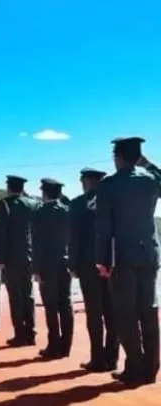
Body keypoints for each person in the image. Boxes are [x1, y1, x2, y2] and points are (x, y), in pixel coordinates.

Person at [96, 136, 160, 385]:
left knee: (125, 315)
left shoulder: (109, 184)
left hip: (121, 257)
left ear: (118, 158)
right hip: (148, 255)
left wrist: (102, 260)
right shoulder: (151, 180)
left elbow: (103, 226)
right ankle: (150, 369)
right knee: (149, 313)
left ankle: (134, 368)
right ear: (138, 157)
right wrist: (147, 163)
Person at [69, 167, 118, 372]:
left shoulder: (78, 204)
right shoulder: (114, 200)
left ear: (87, 182)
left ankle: (97, 359)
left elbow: (75, 238)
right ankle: (112, 358)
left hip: (88, 265)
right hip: (113, 263)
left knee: (94, 313)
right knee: (112, 312)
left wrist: (73, 265)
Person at [0, 175, 40, 347]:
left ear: (9, 188)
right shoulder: (32, 204)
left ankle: (20, 334)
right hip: (29, 254)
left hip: (12, 257)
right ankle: (31, 332)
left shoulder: (5, 204)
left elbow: (1, 233)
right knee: (28, 295)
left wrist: (0, 258)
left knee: (16, 296)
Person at [32, 178, 73, 359]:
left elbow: (37, 243)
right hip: (65, 262)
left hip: (47, 264)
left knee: (51, 305)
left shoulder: (40, 213)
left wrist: (36, 269)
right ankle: (66, 346)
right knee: (65, 303)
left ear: (45, 193)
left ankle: (54, 345)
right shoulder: (66, 211)